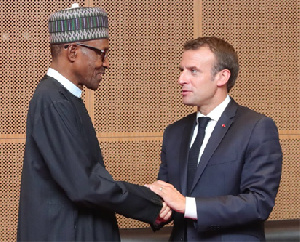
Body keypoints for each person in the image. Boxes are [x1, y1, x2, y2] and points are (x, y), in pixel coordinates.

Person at [17, 4, 171, 241]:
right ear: (73, 52)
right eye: (101, 53)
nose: (106, 62)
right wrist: (152, 202)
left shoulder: (64, 98)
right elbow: (85, 185)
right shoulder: (52, 101)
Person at [147, 37, 282, 241]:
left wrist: (187, 205)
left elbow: (259, 203)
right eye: (181, 70)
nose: (181, 79)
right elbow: (168, 198)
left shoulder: (256, 127)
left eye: (193, 71)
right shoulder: (174, 132)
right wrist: (155, 206)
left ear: (222, 77)